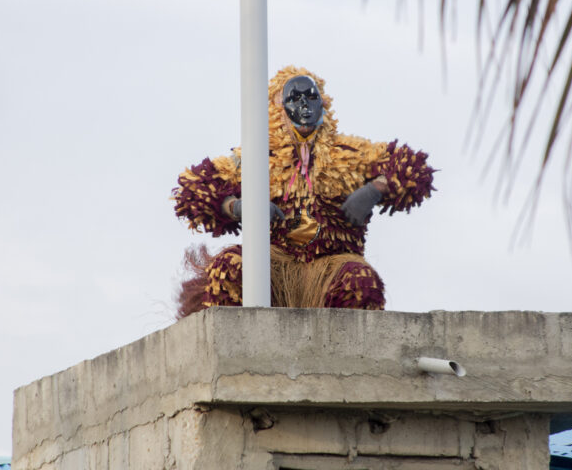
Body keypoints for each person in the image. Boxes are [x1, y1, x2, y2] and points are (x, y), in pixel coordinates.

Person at [172, 66, 434, 318]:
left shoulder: (351, 154)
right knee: (229, 269)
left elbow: (414, 166)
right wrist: (237, 206)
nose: (305, 106)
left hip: (334, 265)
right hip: (274, 264)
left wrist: (375, 188)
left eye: (311, 97)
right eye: (294, 99)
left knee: (360, 283)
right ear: (278, 107)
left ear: (323, 102)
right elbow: (192, 188)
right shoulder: (253, 159)